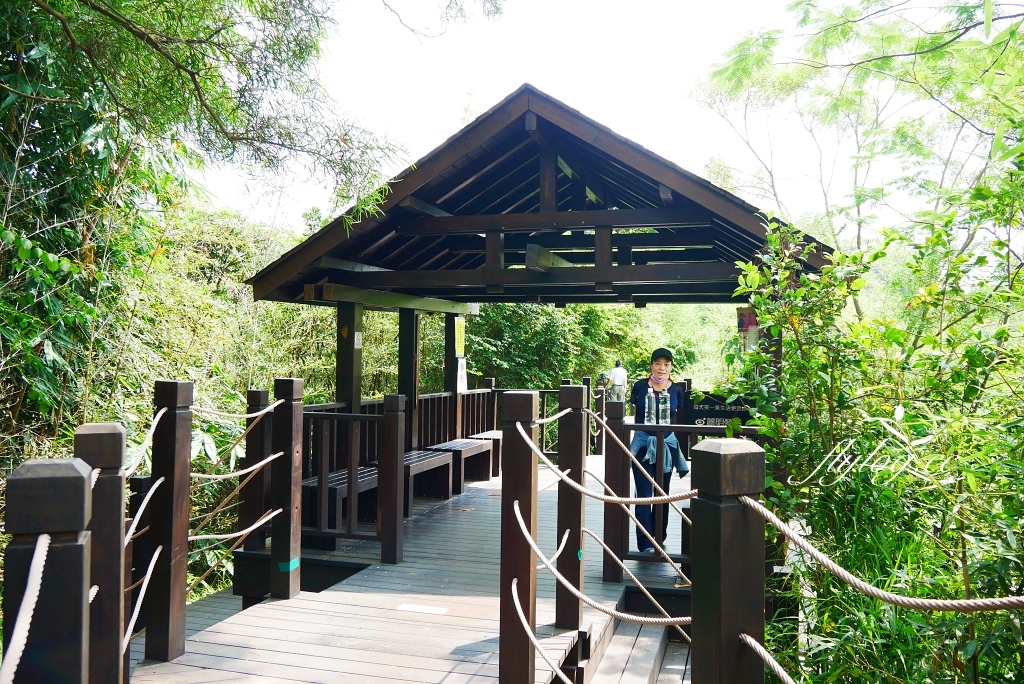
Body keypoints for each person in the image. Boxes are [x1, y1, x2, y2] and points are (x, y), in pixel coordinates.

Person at [628, 348, 688, 553]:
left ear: (671, 366)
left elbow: (678, 415)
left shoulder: (677, 390)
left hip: (667, 446)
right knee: (643, 495)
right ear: (651, 365)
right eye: (658, 363)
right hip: (643, 444)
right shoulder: (639, 387)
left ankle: (659, 537)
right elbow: (636, 410)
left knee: (662, 493)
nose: (662, 368)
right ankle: (645, 543)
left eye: (666, 364)